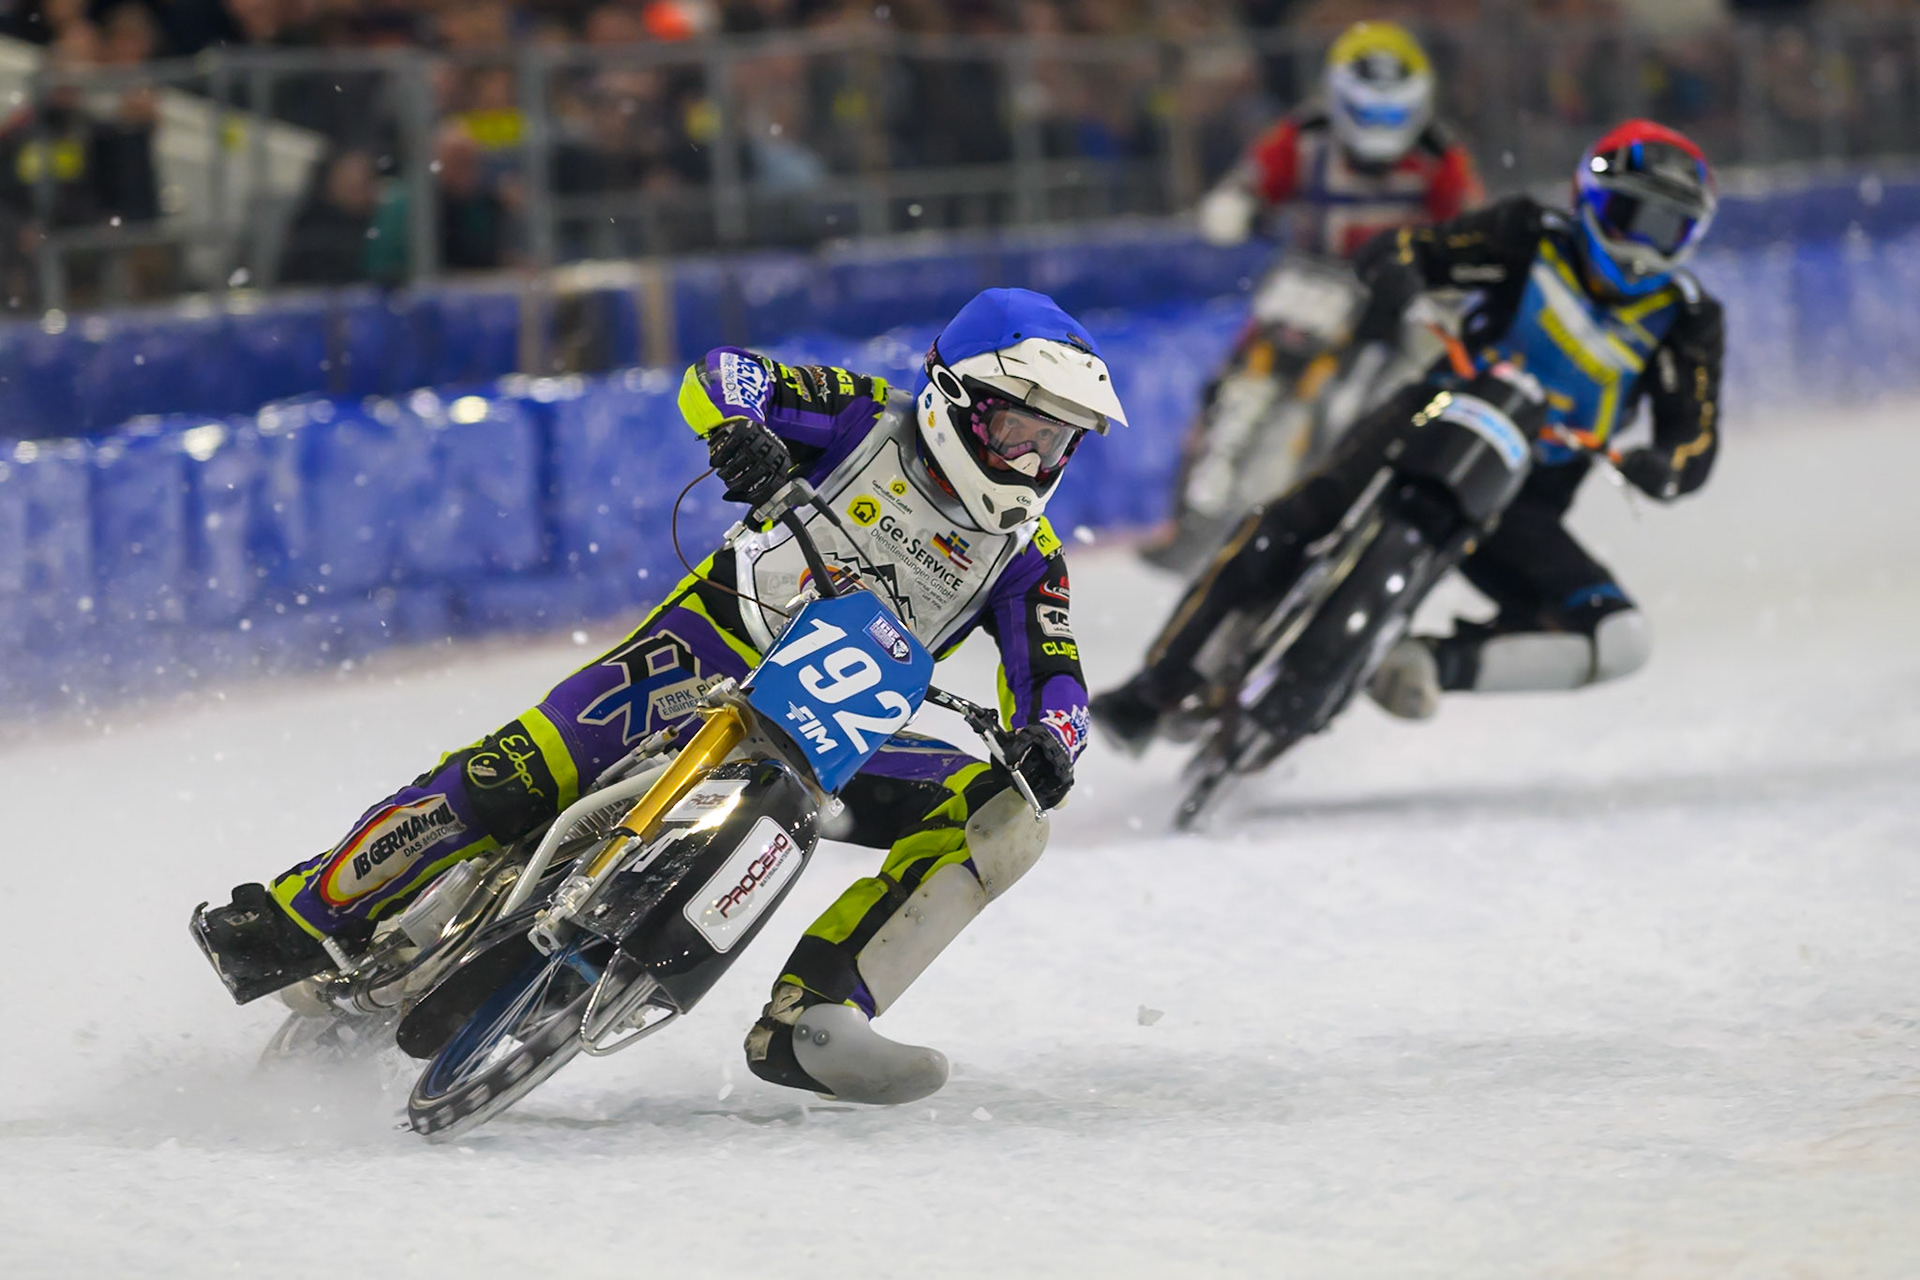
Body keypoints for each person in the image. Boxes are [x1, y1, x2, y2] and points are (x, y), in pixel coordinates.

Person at [195, 287, 1123, 1105]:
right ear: (956, 399)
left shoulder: (1025, 556)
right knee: (523, 768)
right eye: (1021, 432)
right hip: (711, 644)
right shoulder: (860, 419)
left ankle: (820, 1015)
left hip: (842, 728)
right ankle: (302, 914)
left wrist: (1052, 740)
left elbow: (1058, 672)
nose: (1036, 461)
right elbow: (726, 373)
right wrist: (740, 433)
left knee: (1003, 821)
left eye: (1057, 444)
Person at [1094, 120, 1723, 744]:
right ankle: (1156, 686)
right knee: (1285, 523)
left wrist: (1666, 467)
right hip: (1435, 415)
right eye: (1629, 216)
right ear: (1587, 198)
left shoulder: (1689, 319)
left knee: (1619, 639)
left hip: (1521, 505)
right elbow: (1413, 249)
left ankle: (1423, 663)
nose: (1642, 247)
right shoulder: (1527, 234)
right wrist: (1400, 275)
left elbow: (1694, 436)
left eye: (1666, 228)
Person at [1193, 20, 1482, 258]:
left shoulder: (1438, 152)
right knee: (1271, 325)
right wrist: (1237, 208)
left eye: (1393, 115)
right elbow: (1247, 184)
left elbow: (1471, 218)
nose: (1380, 126)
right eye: (1368, 114)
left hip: (1408, 286)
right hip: (1312, 284)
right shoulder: (1305, 136)